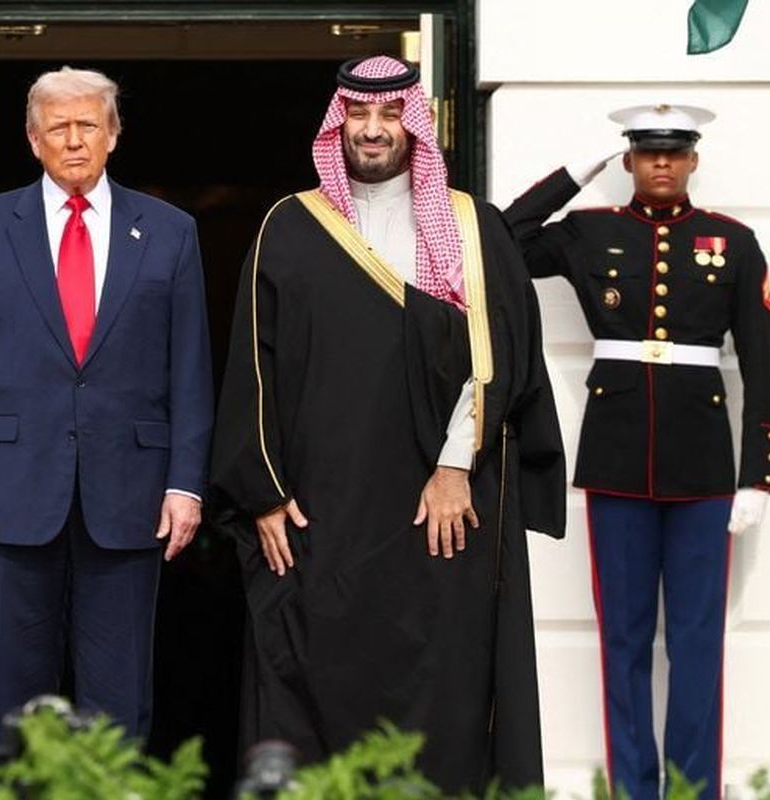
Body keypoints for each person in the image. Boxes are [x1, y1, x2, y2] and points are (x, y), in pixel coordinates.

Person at [209, 55, 566, 792]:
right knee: (314, 678)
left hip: (440, 508)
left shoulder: (470, 228)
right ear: (339, 123)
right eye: (358, 116)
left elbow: (497, 358)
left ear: (416, 122)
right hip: (321, 511)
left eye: (389, 115)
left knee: (445, 684)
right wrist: (264, 492)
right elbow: (252, 368)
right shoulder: (290, 225)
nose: (372, 132)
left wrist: (453, 466)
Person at [0, 67, 213, 747]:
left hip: (131, 495)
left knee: (118, 703)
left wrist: (185, 484)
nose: (75, 141)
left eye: (89, 125)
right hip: (10, 492)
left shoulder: (170, 231)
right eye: (59, 128)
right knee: (14, 703)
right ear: (33, 140)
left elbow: (191, 368)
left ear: (114, 134)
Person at [504, 104, 770, 800]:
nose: (662, 163)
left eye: (675, 152)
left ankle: (692, 791)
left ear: (693, 160)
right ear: (627, 160)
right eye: (647, 151)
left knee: (695, 644)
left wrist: (758, 478)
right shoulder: (589, 234)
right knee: (622, 643)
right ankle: (634, 790)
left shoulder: (733, 243)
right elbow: (501, 240)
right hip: (617, 459)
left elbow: (763, 363)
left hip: (705, 469)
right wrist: (574, 171)